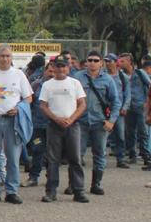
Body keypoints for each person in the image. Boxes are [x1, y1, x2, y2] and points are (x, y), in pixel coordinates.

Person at [0, 44, 33, 204]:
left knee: (13, 158)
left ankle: (11, 191)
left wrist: (19, 108)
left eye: (8, 56)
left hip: (12, 122)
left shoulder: (18, 75)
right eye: (2, 56)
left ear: (12, 57)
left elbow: (29, 98)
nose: (5, 59)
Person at [39, 57, 89, 203]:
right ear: (53, 67)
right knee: (53, 160)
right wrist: (56, 118)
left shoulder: (75, 83)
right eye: (58, 66)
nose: (61, 69)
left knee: (75, 159)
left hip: (72, 125)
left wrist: (71, 119)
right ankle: (51, 191)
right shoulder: (47, 85)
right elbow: (43, 105)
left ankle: (78, 190)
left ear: (68, 68)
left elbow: (82, 104)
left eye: (63, 66)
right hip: (54, 126)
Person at [73, 51, 120, 195]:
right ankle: (76, 185)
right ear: (86, 62)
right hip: (80, 122)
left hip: (100, 123)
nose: (92, 63)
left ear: (101, 63)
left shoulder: (107, 80)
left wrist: (111, 121)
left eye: (95, 60)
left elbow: (116, 102)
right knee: (76, 154)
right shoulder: (77, 77)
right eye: (90, 60)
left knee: (99, 153)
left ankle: (96, 184)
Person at [21, 62, 54, 187]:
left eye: (54, 71)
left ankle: (51, 177)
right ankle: (33, 177)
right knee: (37, 151)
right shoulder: (36, 85)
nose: (52, 74)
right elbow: (28, 102)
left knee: (52, 153)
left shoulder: (59, 86)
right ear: (44, 71)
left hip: (54, 125)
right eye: (49, 71)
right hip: (38, 125)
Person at [118, 53, 150, 167]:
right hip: (128, 108)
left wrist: (147, 102)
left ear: (129, 62)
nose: (119, 63)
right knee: (130, 132)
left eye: (122, 61)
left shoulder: (140, 73)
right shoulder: (120, 75)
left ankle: (146, 156)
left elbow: (149, 85)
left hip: (140, 106)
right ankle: (132, 155)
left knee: (143, 132)